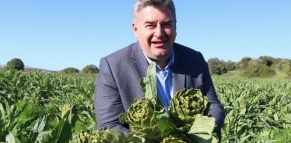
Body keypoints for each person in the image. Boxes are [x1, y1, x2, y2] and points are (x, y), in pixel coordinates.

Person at [94, 0, 225, 133]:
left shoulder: (195, 60)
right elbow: (108, 124)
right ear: (135, 29)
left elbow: (214, 107)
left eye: (166, 24)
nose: (159, 33)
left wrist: (195, 137)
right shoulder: (113, 66)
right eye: (150, 25)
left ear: (175, 27)